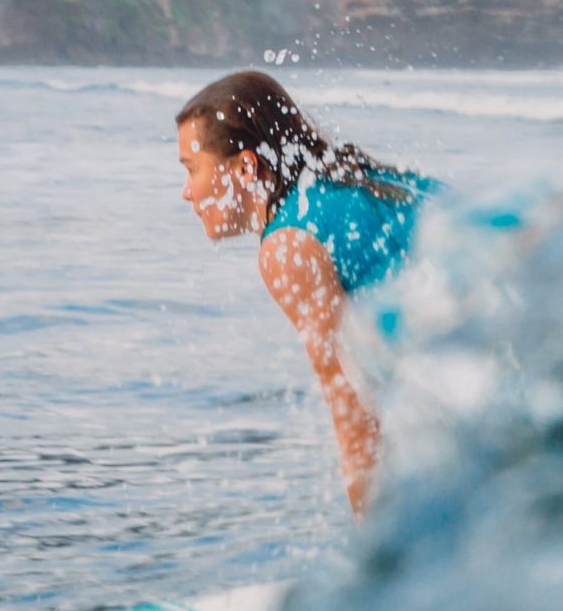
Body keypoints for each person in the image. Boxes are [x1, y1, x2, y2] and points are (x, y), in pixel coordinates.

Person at [175, 70, 438, 515]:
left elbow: (351, 401)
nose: (186, 193)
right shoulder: (355, 180)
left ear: (245, 167)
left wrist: (375, 554)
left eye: (192, 169)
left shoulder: (286, 245)